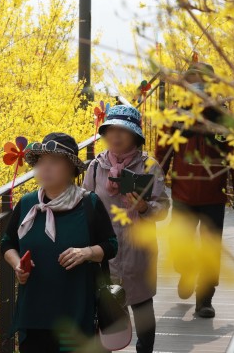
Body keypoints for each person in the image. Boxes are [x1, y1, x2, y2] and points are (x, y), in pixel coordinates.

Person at [0, 132, 118, 353]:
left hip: (75, 313)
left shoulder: (88, 203)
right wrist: (17, 265)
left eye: (54, 162)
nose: (45, 168)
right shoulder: (27, 204)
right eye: (41, 162)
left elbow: (111, 245)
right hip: (34, 313)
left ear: (71, 168)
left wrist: (86, 253)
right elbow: (7, 244)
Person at [155, 62, 234, 319]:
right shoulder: (174, 116)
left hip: (213, 196)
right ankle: (186, 270)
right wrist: (154, 183)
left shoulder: (222, 119)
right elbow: (162, 153)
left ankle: (205, 298)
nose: (198, 87)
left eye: (203, 82)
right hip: (182, 194)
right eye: (192, 82)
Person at [83, 105, 170, 353]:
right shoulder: (96, 167)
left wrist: (144, 208)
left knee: (142, 306)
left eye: (123, 131)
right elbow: (85, 205)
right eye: (111, 130)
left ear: (135, 136)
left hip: (138, 250)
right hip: (105, 251)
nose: (116, 136)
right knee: (107, 309)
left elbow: (163, 209)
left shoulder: (149, 167)